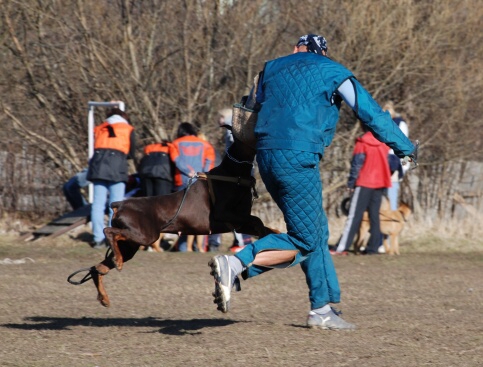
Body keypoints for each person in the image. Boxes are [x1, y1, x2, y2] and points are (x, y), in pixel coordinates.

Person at [208, 34, 417, 330]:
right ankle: (237, 264)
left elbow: (247, 114)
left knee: (315, 231)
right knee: (305, 239)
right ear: (323, 53)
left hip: (266, 158)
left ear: (296, 49)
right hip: (298, 157)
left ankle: (323, 307)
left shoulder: (269, 69)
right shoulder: (334, 71)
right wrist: (404, 146)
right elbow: (370, 113)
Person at [333, 124, 392, 255]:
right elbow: (391, 161)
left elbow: (356, 164)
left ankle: (342, 247)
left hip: (365, 181)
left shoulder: (362, 142)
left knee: (354, 215)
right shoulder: (384, 142)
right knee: (374, 216)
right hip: (380, 182)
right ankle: (373, 247)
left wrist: (351, 183)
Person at [87, 107, 136, 249]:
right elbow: (131, 153)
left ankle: (98, 238)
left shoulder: (99, 128)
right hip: (118, 166)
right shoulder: (127, 128)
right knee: (116, 206)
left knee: (98, 203)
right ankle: (113, 238)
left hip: (98, 166)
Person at [170, 122, 216, 252]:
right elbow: (209, 160)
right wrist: (203, 174)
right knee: (200, 214)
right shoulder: (205, 144)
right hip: (200, 182)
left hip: (182, 181)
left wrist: (188, 170)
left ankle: (184, 247)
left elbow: (176, 160)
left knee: (182, 214)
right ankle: (200, 247)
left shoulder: (175, 143)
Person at [382, 101, 410, 211]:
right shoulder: (381, 124)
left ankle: (391, 217)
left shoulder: (400, 124)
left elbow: (406, 147)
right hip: (382, 162)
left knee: (392, 195)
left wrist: (403, 168)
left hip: (395, 164)